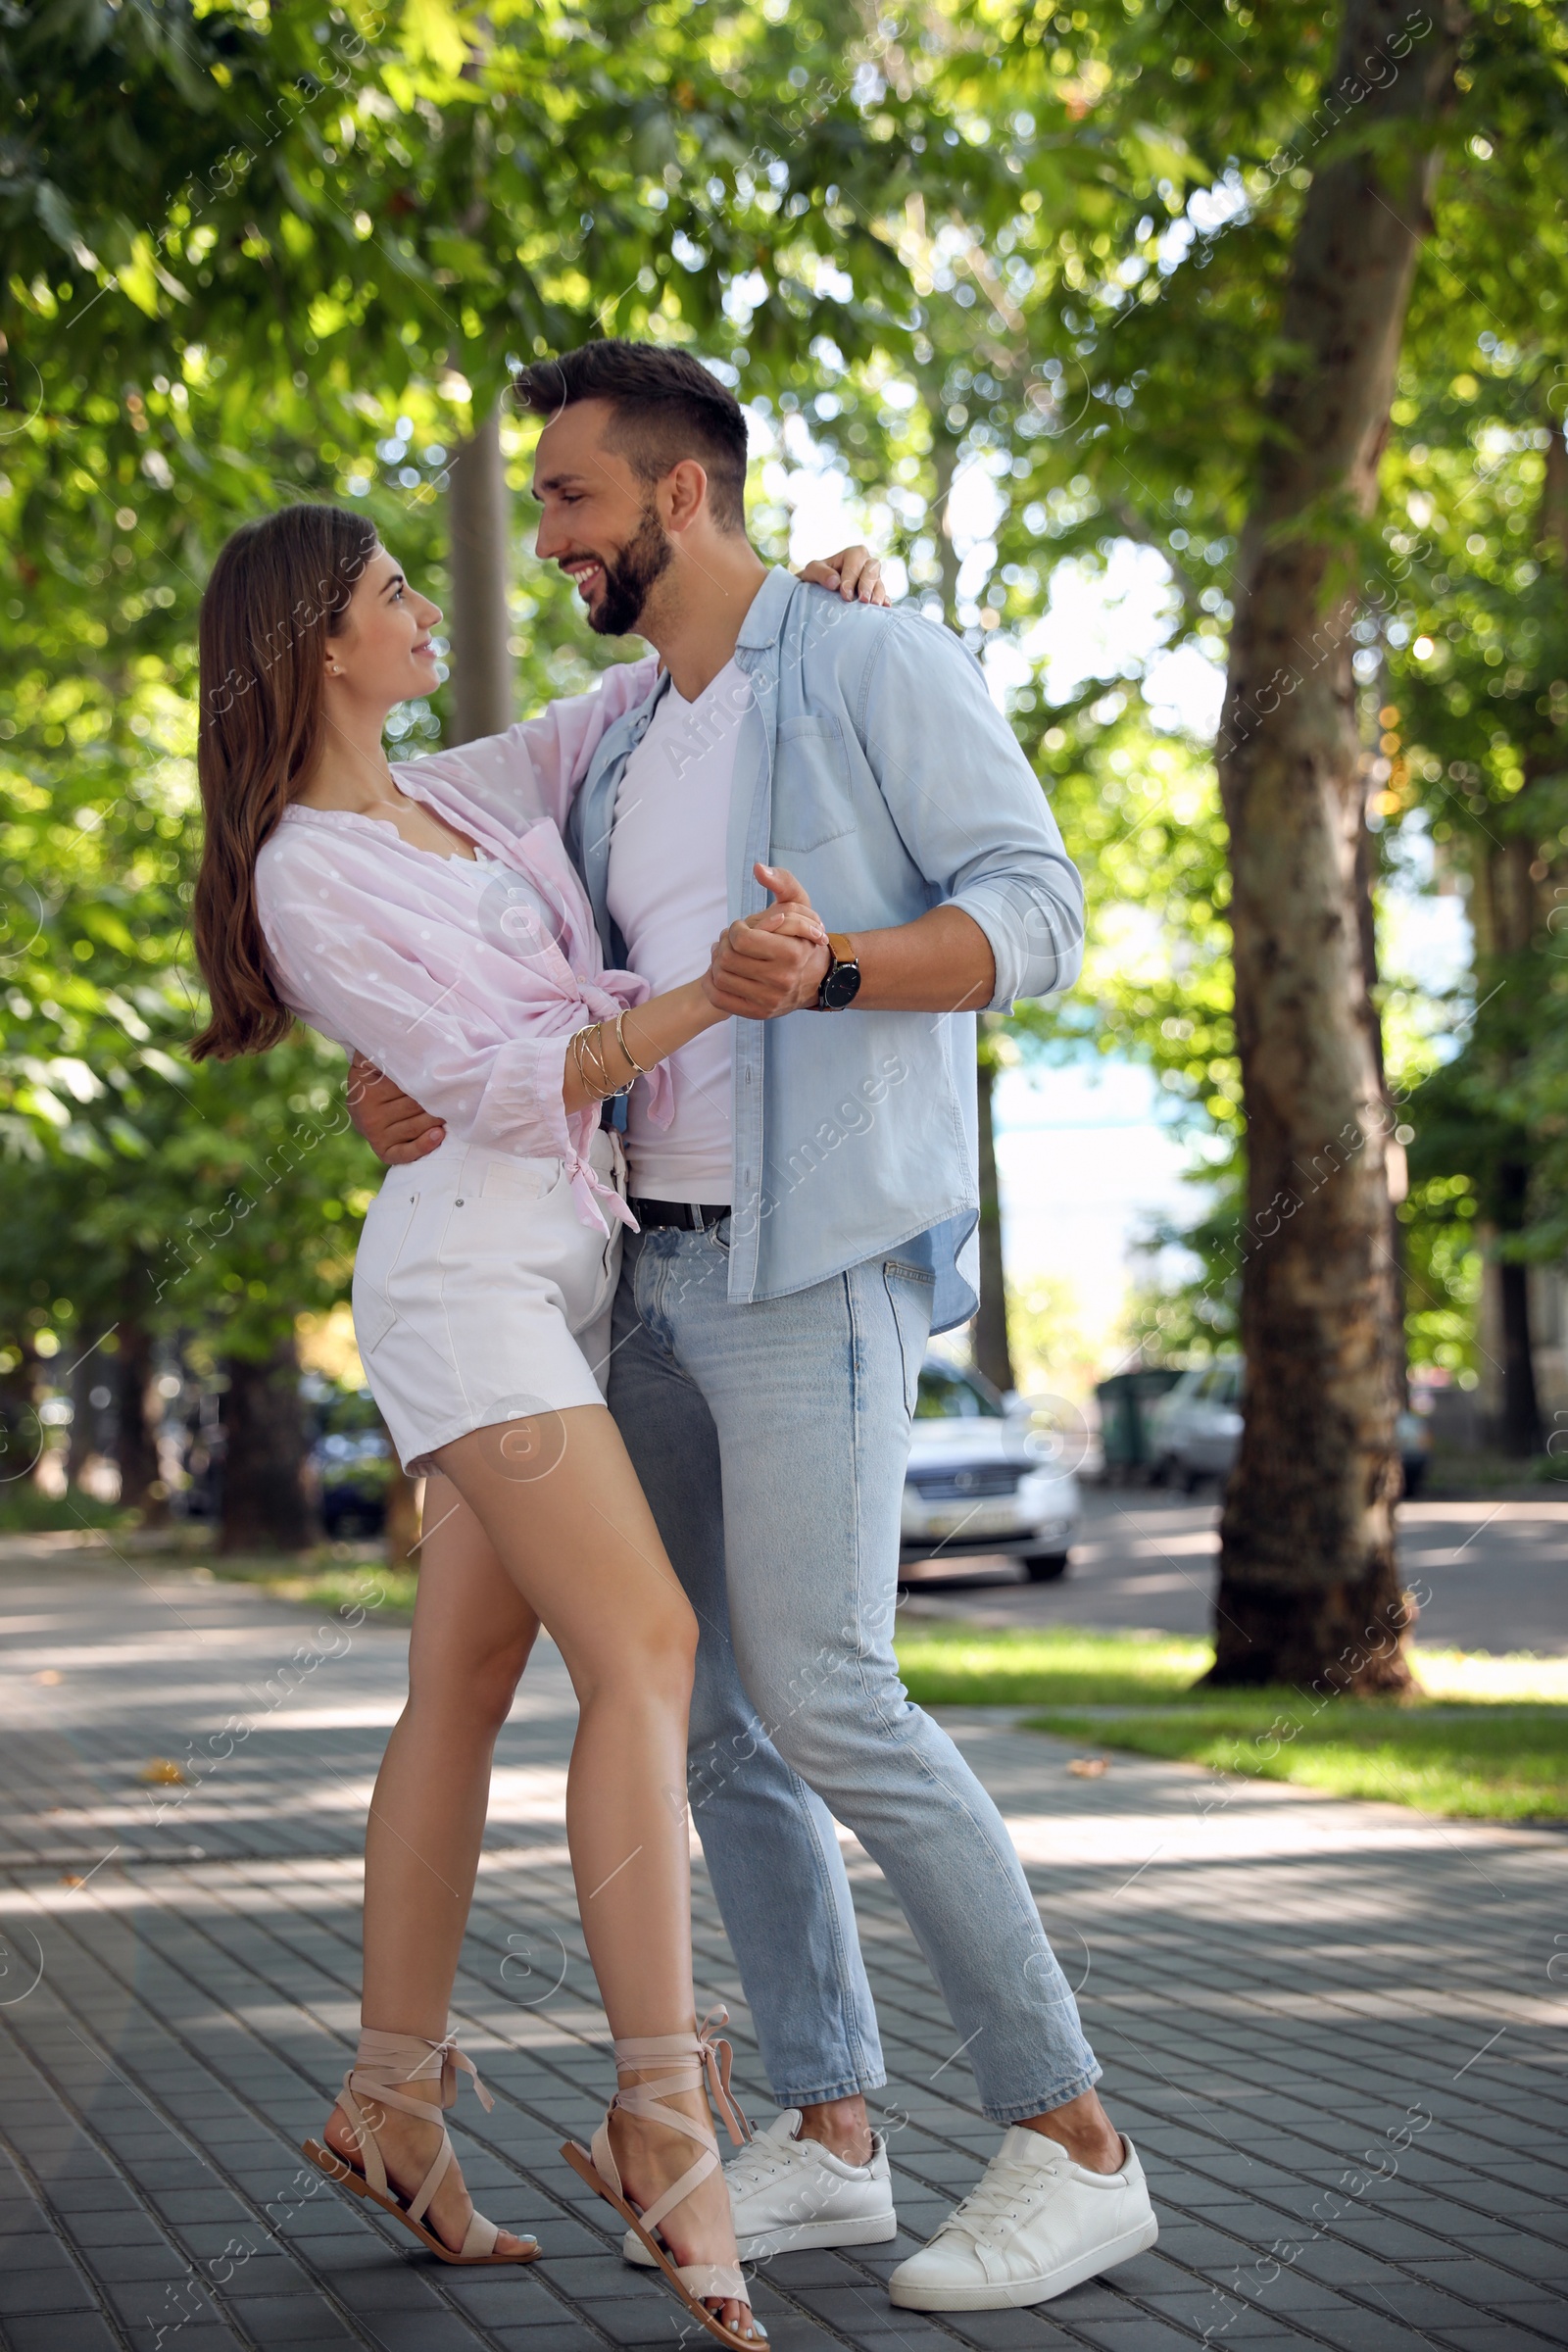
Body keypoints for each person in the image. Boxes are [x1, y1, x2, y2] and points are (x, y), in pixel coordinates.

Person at [349, 340, 1159, 2314]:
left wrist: (842, 966)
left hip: (816, 1273)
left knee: (827, 1696)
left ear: (678, 499)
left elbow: (1037, 913)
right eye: (540, 504)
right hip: (653, 1275)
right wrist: (428, 1078)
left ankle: (1075, 2144)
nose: (546, 540)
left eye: (569, 502)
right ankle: (830, 2130)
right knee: (714, 1728)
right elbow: (464, 906)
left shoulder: (870, 661)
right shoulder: (619, 731)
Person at [187, 499, 883, 2342]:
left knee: (464, 1693)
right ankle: (665, 2117)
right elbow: (494, 1081)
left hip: (562, 1277)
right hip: (467, 1286)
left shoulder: (467, 790)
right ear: (320, 644)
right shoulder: (302, 869)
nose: (428, 605)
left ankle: (388, 2101)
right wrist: (696, 1008)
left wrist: (801, 603)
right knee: (647, 1648)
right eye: (394, 590)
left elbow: (642, 694)